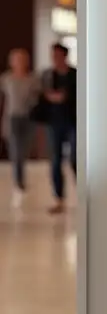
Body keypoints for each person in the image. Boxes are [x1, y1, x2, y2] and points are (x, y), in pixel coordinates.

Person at [0, 48, 40, 207]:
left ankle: (20, 178)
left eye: (22, 59)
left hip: (28, 119)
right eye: (16, 59)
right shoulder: (6, 79)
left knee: (23, 150)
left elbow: (38, 99)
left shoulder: (33, 79)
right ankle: (19, 182)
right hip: (12, 118)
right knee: (15, 150)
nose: (20, 62)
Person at [42, 42, 77, 214]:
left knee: (75, 160)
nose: (54, 59)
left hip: (73, 122)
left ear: (64, 55)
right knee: (55, 161)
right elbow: (41, 95)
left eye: (57, 55)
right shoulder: (48, 75)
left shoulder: (75, 75)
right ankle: (59, 199)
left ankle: (82, 195)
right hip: (54, 123)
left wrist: (64, 98)